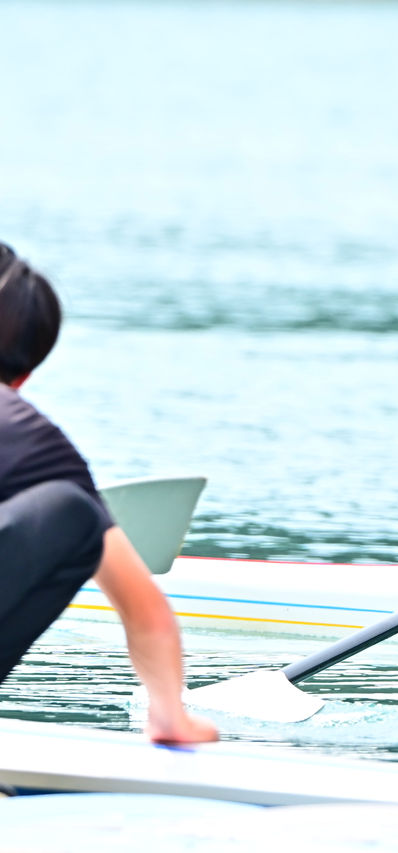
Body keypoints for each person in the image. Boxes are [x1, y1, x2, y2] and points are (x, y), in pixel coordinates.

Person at [0, 242, 217, 744]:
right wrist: (171, 718)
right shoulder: (40, 451)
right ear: (26, 375)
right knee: (72, 514)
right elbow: (146, 613)